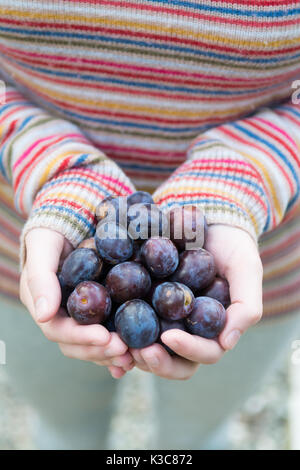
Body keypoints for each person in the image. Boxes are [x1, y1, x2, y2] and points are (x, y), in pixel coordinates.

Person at [0, 0, 299, 449]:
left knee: (197, 438)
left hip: (257, 264)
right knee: (64, 432)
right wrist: (57, 170)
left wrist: (238, 180)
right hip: (37, 249)